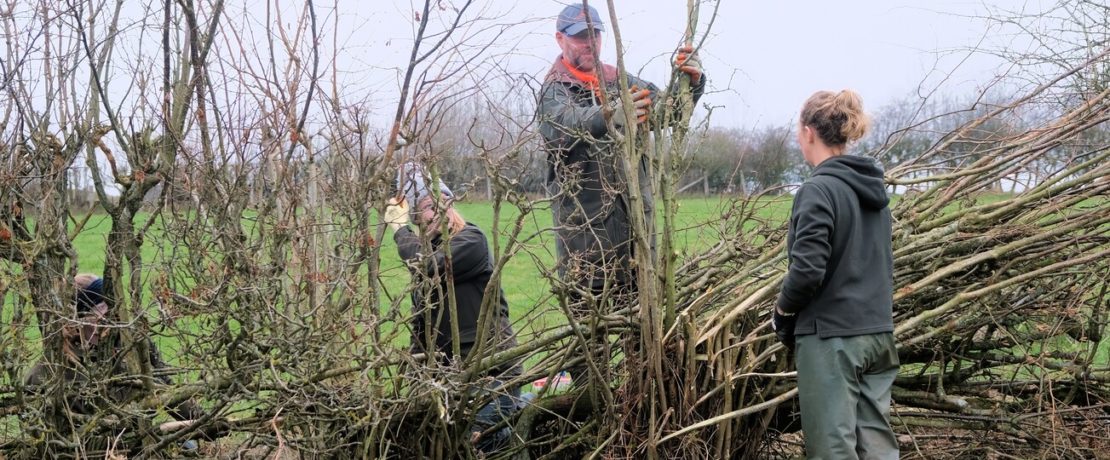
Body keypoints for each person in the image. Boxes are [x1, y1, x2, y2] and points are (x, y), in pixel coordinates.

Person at [536, 3, 705, 383]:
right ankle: (590, 411)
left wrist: (689, 81)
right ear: (560, 39)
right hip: (585, 242)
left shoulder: (619, 79)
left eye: (595, 35)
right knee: (589, 347)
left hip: (636, 237)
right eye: (580, 37)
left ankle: (641, 407)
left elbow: (670, 114)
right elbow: (562, 128)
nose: (590, 44)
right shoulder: (555, 90)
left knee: (641, 335)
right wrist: (612, 114)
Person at [773, 90, 900, 459]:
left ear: (809, 132)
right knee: (877, 449)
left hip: (833, 340)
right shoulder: (874, 193)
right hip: (878, 334)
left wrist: (782, 312)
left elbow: (808, 269)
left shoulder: (818, 190)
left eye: (799, 130)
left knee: (833, 451)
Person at [384, 166, 523, 454]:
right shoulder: (423, 265)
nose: (434, 212)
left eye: (439, 203)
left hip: (493, 372)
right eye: (425, 207)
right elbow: (422, 331)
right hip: (452, 377)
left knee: (477, 440)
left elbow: (428, 266)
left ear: (450, 203)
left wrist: (400, 232)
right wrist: (413, 379)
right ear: (418, 218)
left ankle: (520, 413)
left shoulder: (471, 241)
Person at [25, 274, 204, 449]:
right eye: (99, 318)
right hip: (93, 451)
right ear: (75, 320)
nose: (109, 324)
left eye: (112, 314)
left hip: (142, 445)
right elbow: (44, 440)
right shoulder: (47, 372)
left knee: (189, 446)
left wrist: (204, 421)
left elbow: (166, 389)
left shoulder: (133, 344)